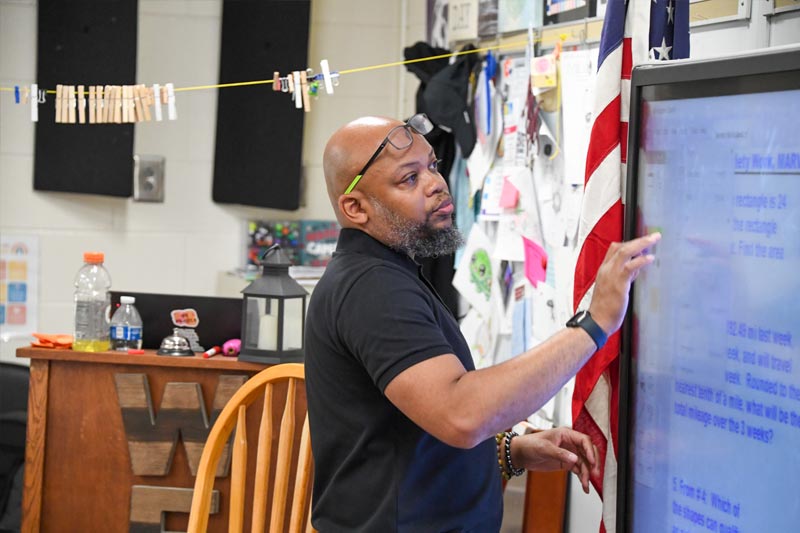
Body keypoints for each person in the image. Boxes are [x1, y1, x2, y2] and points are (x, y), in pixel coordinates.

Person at [305, 114, 660, 532]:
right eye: (409, 179)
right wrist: (595, 322)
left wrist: (512, 451)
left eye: (433, 166)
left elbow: (412, 428)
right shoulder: (373, 288)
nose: (436, 184)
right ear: (355, 208)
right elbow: (461, 414)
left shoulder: (386, 273)